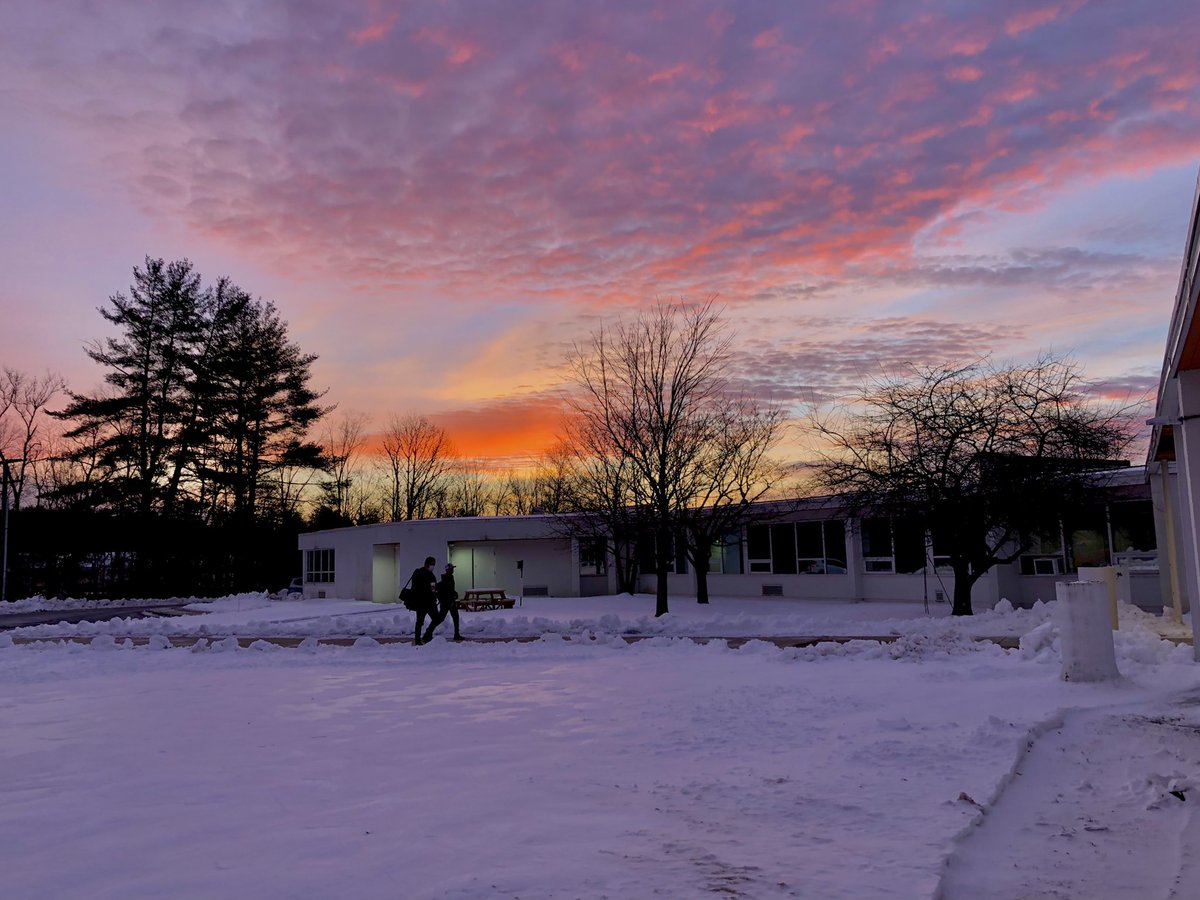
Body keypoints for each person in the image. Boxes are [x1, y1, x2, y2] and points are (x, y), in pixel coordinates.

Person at [423, 563, 463, 642]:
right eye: (451, 569)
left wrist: (454, 593)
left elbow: (450, 590)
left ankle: (456, 634)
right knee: (439, 619)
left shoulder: (450, 578)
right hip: (446, 603)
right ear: (447, 570)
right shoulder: (445, 579)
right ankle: (427, 633)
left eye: (453, 569)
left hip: (450, 602)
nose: (452, 570)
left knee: (455, 617)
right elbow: (435, 588)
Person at [410, 556, 439, 645]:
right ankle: (418, 640)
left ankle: (426, 636)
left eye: (434, 564)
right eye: (431, 564)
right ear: (426, 564)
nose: (432, 566)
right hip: (421, 602)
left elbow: (433, 588)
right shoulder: (419, 573)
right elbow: (415, 587)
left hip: (430, 602)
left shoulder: (431, 575)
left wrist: (434, 596)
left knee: (436, 619)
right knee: (420, 622)